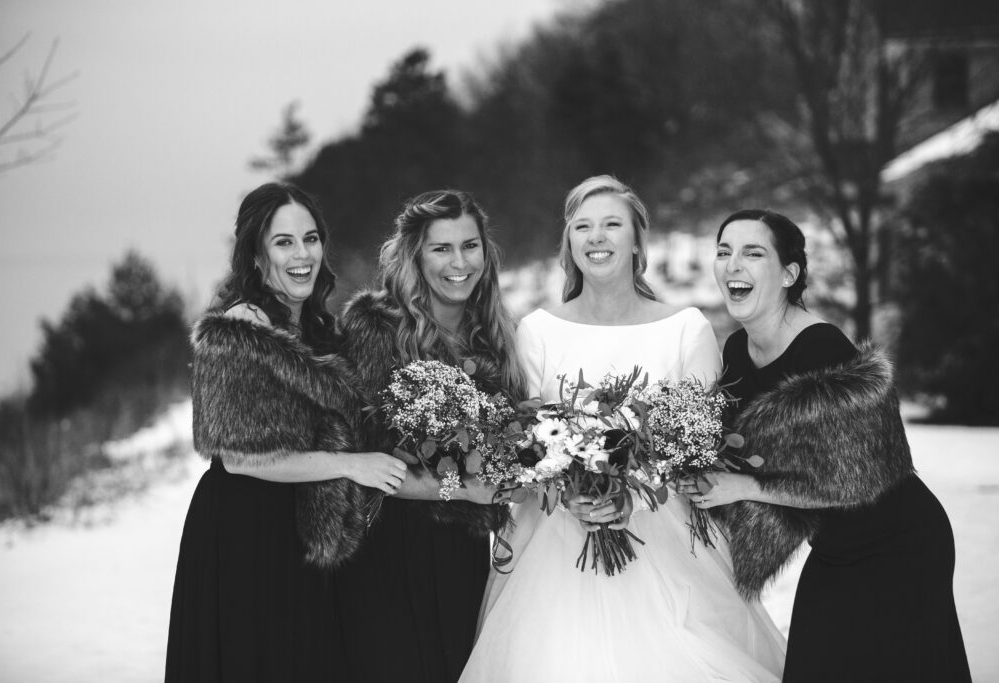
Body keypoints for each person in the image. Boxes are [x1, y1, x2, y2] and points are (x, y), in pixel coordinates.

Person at [460, 176, 786, 683]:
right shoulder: (539, 332)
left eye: (612, 224)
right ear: (568, 244)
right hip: (554, 543)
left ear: (637, 241)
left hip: (666, 542)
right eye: (582, 227)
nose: (597, 237)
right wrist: (569, 493)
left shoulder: (686, 330)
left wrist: (633, 496)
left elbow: (698, 448)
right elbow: (524, 444)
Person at [696, 208, 970, 682]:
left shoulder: (822, 350)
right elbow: (735, 447)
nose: (733, 264)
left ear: (788, 274)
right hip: (835, 549)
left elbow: (851, 483)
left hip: (902, 543)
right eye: (724, 252)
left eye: (752, 253)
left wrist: (741, 486)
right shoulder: (737, 351)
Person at [165, 182, 407, 682]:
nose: (303, 254)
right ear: (256, 256)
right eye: (284, 242)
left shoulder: (321, 331)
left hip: (307, 536)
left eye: (311, 238)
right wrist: (350, 465)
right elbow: (241, 458)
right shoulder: (238, 331)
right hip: (246, 534)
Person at [335, 189, 526, 683]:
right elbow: (366, 464)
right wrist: (463, 487)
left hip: (462, 551)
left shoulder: (497, 338)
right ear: (415, 255)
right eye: (441, 248)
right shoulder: (376, 329)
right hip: (387, 547)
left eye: (470, 246)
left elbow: (506, 453)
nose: (459, 262)